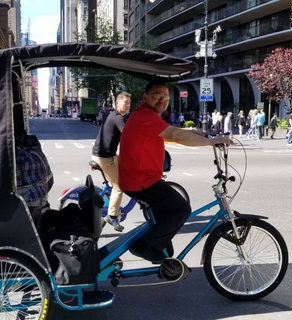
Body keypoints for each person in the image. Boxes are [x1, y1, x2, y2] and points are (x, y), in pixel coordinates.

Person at [118, 82, 231, 263]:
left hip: (137, 178)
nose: (162, 100)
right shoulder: (145, 116)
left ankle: (160, 244)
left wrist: (193, 132)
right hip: (140, 181)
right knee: (181, 209)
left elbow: (171, 131)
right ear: (145, 97)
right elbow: (175, 136)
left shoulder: (145, 115)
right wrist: (213, 141)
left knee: (167, 211)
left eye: (166, 97)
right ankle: (145, 246)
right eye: (156, 96)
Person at [91, 91, 132, 232]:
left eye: (129, 103)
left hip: (104, 155)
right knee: (119, 186)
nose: (127, 105)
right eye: (125, 102)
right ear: (117, 103)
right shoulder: (118, 118)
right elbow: (128, 136)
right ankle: (112, 216)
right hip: (104, 157)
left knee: (126, 167)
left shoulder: (112, 115)